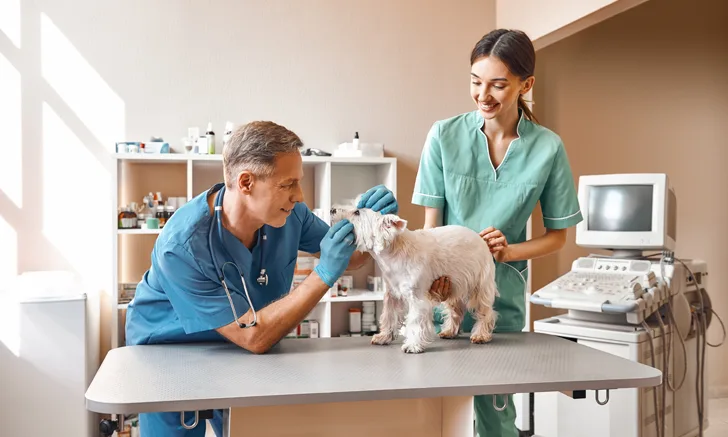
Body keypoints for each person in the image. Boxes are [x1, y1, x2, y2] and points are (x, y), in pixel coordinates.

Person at [125, 120, 445, 436]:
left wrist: (372, 226)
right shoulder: (183, 246)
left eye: (299, 182)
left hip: (246, 351)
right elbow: (254, 336)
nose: (300, 196)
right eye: (288, 184)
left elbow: (351, 259)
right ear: (247, 182)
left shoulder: (289, 215)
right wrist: (322, 275)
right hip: (170, 352)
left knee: (250, 428)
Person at [411, 29, 583, 436]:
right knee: (437, 415)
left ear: (526, 84)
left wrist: (509, 251)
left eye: (498, 84)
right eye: (475, 81)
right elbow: (429, 228)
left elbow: (558, 237)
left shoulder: (548, 149)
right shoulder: (443, 136)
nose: (483, 94)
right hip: (445, 295)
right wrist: (431, 282)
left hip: (499, 303)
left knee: (495, 419)